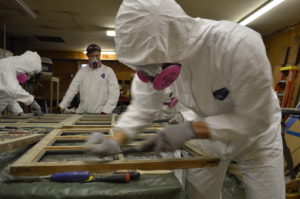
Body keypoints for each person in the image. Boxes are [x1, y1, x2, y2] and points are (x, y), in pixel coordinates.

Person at [85, 1, 284, 199]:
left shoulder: (237, 45)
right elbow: (143, 107)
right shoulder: (155, 60)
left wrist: (191, 129)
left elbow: (256, 118)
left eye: (152, 63)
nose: (149, 72)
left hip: (256, 140)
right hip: (208, 139)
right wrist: (117, 139)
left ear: (173, 38)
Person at [59, 44, 120, 114]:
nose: (94, 59)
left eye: (97, 56)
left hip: (100, 113)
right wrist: (62, 105)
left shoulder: (108, 71)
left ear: (100, 55)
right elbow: (72, 90)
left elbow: (114, 93)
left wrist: (106, 110)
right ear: (87, 56)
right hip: (82, 112)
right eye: (92, 56)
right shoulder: (82, 72)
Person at [0, 51, 43, 116]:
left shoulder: (10, 65)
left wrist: (19, 112)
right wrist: (32, 102)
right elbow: (12, 90)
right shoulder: (7, 66)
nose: (27, 78)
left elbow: (8, 96)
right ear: (26, 68)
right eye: (28, 75)